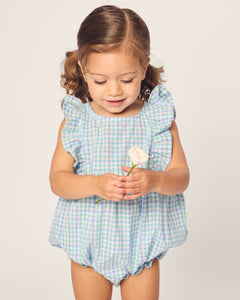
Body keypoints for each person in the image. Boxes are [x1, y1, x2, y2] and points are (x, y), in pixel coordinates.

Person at [48, 5, 190, 300]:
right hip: (89, 242)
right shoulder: (78, 120)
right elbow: (58, 180)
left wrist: (155, 180)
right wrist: (95, 184)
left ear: (143, 66)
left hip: (141, 246)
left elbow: (181, 176)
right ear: (84, 69)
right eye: (100, 81)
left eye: (126, 79)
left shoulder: (157, 118)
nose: (113, 91)